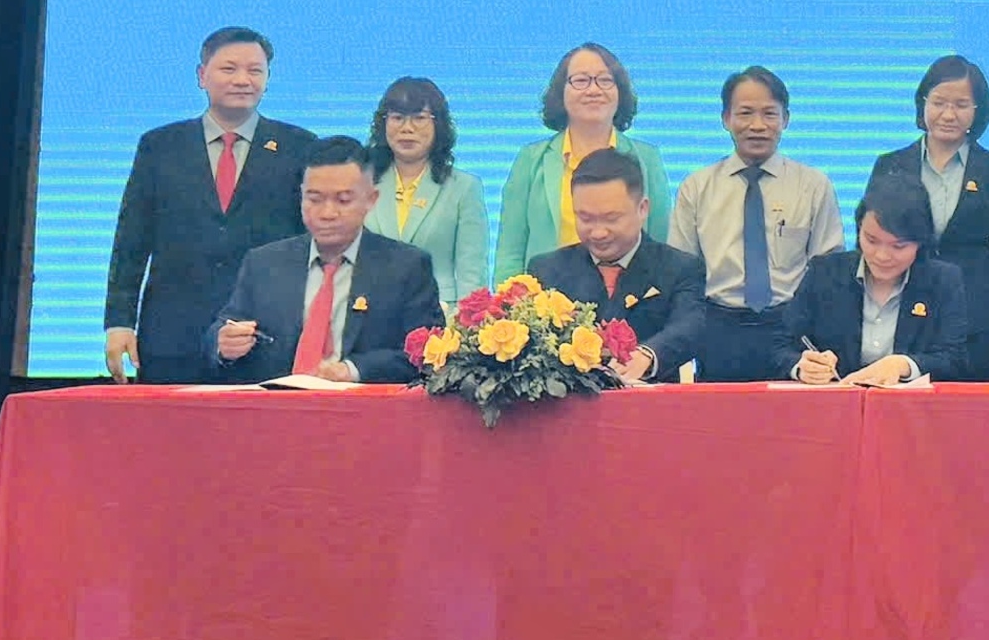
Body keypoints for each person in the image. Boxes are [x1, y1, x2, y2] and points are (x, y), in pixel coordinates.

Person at [104, 27, 314, 384]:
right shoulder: (160, 146)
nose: (243, 80)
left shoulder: (300, 147)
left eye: (255, 70)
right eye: (229, 69)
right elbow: (131, 241)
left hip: (264, 335)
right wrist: (119, 322)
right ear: (202, 76)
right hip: (172, 335)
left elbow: (310, 243)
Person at [207, 136, 444, 384]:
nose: (327, 213)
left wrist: (351, 371)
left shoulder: (407, 267)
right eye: (314, 199)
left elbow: (426, 353)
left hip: (363, 404)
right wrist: (223, 344)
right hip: (276, 402)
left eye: (343, 200)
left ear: (371, 199)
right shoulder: (264, 264)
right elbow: (224, 326)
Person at [669, 66, 843, 381]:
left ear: (786, 119)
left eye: (769, 114)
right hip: (719, 330)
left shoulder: (814, 186)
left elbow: (827, 271)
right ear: (726, 118)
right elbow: (682, 274)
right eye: (745, 113)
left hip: (791, 329)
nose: (757, 125)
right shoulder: (696, 188)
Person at [867, 56, 989, 382]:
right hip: (903, 323)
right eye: (939, 102)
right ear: (922, 103)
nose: (949, 114)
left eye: (961, 105)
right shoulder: (890, 166)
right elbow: (871, 247)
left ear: (978, 111)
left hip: (976, 328)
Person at [526, 148, 705, 385]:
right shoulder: (545, 270)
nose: (598, 232)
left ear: (642, 209)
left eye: (611, 219)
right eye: (585, 218)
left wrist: (647, 355)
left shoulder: (679, 268)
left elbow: (689, 327)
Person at [772, 175, 971, 386]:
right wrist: (801, 366)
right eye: (871, 240)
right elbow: (780, 345)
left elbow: (956, 359)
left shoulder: (943, 281)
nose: (882, 256)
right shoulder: (825, 272)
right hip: (836, 400)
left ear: (920, 243)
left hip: (909, 404)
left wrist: (903, 365)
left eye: (898, 246)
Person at [494, 43, 670, 280]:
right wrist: (511, 299)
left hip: (627, 297)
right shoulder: (531, 159)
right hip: (547, 296)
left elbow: (661, 244)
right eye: (581, 80)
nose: (593, 90)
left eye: (605, 80)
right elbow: (510, 252)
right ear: (561, 93)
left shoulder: (646, 158)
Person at [362, 77, 488, 312]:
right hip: (369, 312)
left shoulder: (464, 187)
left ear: (438, 124)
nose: (407, 128)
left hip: (439, 316)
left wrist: (464, 326)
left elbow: (472, 273)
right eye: (397, 118)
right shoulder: (362, 183)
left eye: (419, 118)